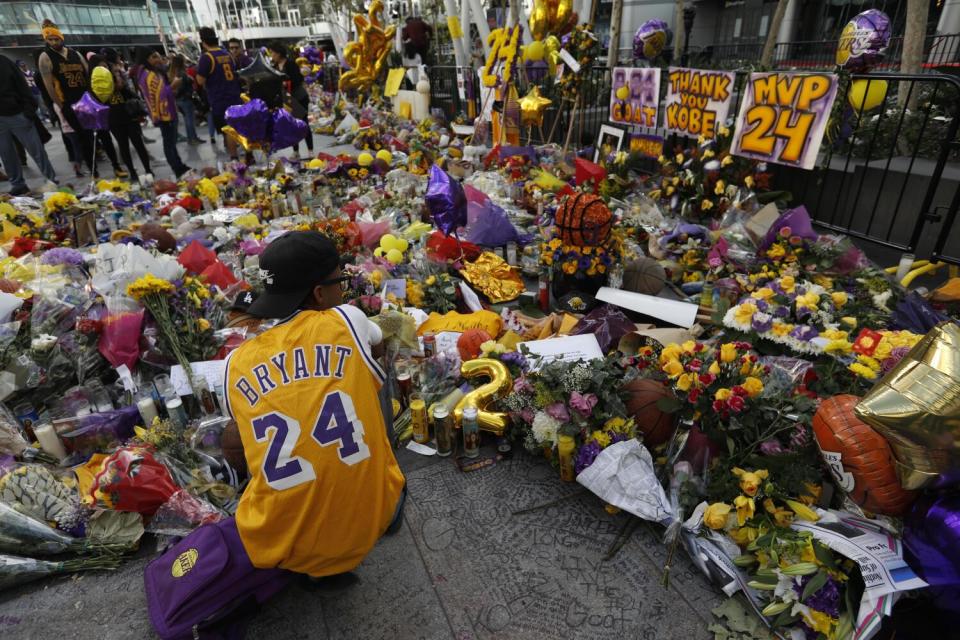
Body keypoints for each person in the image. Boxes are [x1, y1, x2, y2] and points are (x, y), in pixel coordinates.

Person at [222, 231, 405, 580]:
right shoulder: (347, 320)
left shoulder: (235, 363)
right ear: (320, 293)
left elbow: (238, 439)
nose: (345, 289)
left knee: (237, 434)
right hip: (371, 518)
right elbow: (381, 342)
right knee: (371, 376)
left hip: (282, 545)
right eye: (341, 281)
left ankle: (309, 560)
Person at [37, 20, 99, 178]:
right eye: (49, 39)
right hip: (68, 102)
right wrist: (60, 105)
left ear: (61, 38)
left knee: (93, 134)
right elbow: (48, 85)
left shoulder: (75, 53)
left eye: (56, 39)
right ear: (45, 40)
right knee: (81, 136)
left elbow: (87, 73)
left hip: (84, 99)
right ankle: (93, 170)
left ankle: (96, 164)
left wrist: (91, 96)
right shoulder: (45, 57)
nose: (53, 42)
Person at [0, 55, 58, 195]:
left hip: (17, 114)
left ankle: (51, 180)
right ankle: (18, 184)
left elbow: (22, 84)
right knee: (6, 154)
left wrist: (28, 110)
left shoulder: (5, 62)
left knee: (36, 149)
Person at [95, 50, 153, 184]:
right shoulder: (109, 71)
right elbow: (119, 85)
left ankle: (139, 171)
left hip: (120, 113)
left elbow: (117, 87)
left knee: (129, 145)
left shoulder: (105, 72)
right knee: (131, 144)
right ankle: (141, 171)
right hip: (120, 113)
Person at [136, 47, 191, 179]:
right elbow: (157, 95)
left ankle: (179, 165)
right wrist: (173, 86)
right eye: (154, 57)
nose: (158, 59)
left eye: (158, 56)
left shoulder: (155, 72)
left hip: (168, 110)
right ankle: (177, 169)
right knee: (169, 143)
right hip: (162, 114)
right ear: (146, 59)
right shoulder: (147, 75)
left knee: (171, 142)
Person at [196, 27, 242, 161]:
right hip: (234, 95)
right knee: (237, 126)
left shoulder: (207, 57)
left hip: (220, 98)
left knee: (228, 129)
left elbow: (200, 80)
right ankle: (247, 154)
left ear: (203, 42)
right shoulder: (228, 55)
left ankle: (234, 158)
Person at [266, 42, 313, 157]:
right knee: (291, 125)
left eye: (272, 52)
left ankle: (310, 150)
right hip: (286, 99)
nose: (271, 55)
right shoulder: (274, 67)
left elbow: (298, 79)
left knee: (303, 123)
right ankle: (296, 151)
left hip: (298, 97)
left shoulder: (291, 64)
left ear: (278, 53)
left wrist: (284, 82)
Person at [170, 54, 203, 145]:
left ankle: (191, 138)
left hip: (180, 99)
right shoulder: (181, 73)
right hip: (185, 98)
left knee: (187, 119)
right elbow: (181, 87)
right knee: (189, 120)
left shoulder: (175, 73)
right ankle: (193, 138)